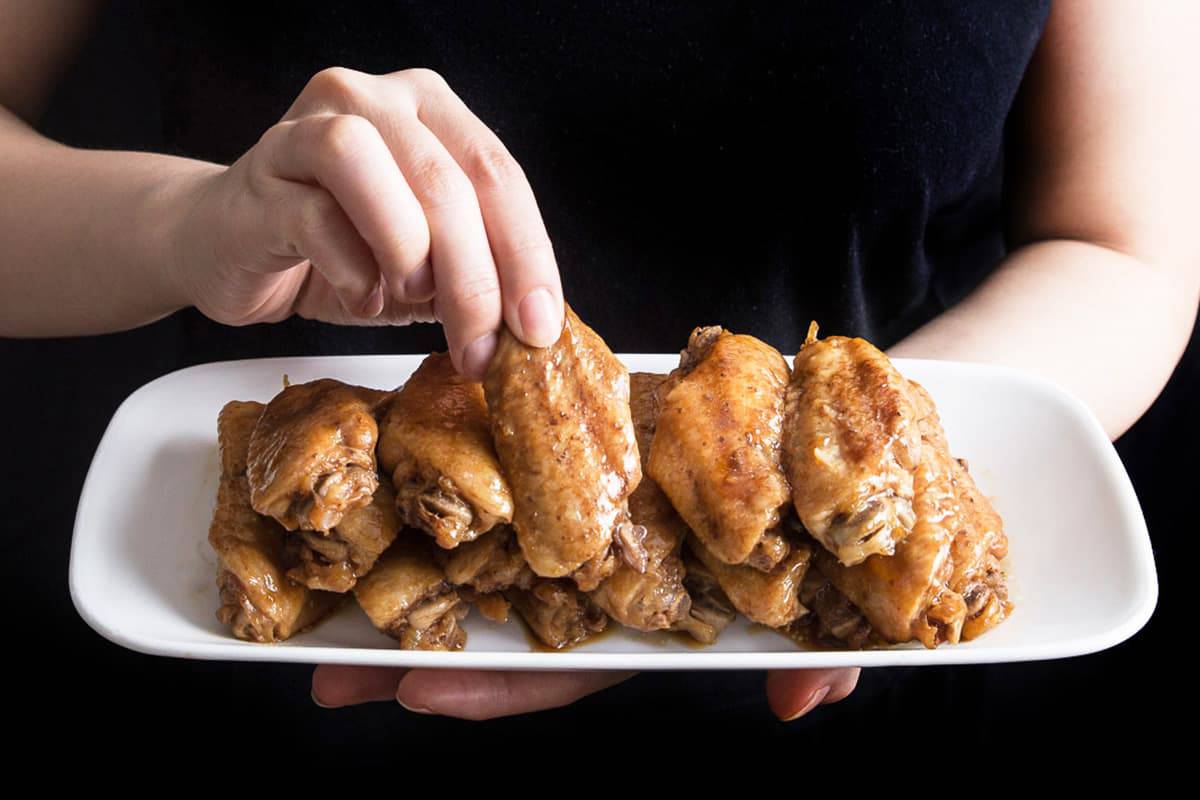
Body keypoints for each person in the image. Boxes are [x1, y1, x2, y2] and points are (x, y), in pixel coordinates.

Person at [1, 1, 1195, 722]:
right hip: (245, 712)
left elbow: (1124, 243)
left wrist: (885, 517)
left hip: (868, 697)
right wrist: (187, 223)